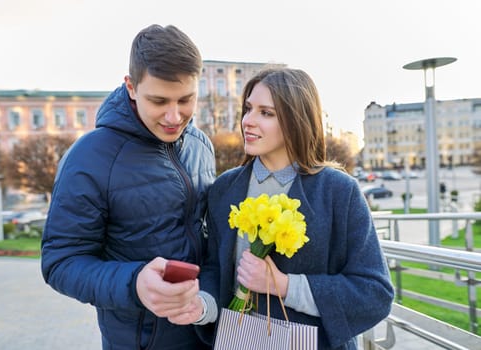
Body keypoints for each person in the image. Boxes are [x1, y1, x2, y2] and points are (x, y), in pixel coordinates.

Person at [171, 67, 394, 349]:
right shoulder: (225, 189)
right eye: (249, 109)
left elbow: (375, 293)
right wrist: (203, 306)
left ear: (296, 120)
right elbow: (217, 269)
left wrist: (284, 285)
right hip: (235, 341)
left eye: (266, 113)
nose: (248, 121)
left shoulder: (339, 191)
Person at [41, 24, 216, 350]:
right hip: (137, 341)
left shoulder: (202, 145)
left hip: (204, 331)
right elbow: (60, 263)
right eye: (159, 100)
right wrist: (135, 284)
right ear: (131, 87)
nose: (174, 116)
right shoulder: (88, 157)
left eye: (186, 100)